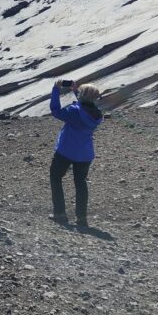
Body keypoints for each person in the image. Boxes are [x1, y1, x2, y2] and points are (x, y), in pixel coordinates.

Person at [49, 79, 103, 228]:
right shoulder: (97, 115)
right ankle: (82, 219)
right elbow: (85, 104)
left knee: (55, 177)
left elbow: (56, 111)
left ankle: (60, 214)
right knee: (80, 184)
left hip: (66, 151)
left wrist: (56, 89)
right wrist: (76, 90)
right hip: (85, 154)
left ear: (82, 96)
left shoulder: (74, 111)